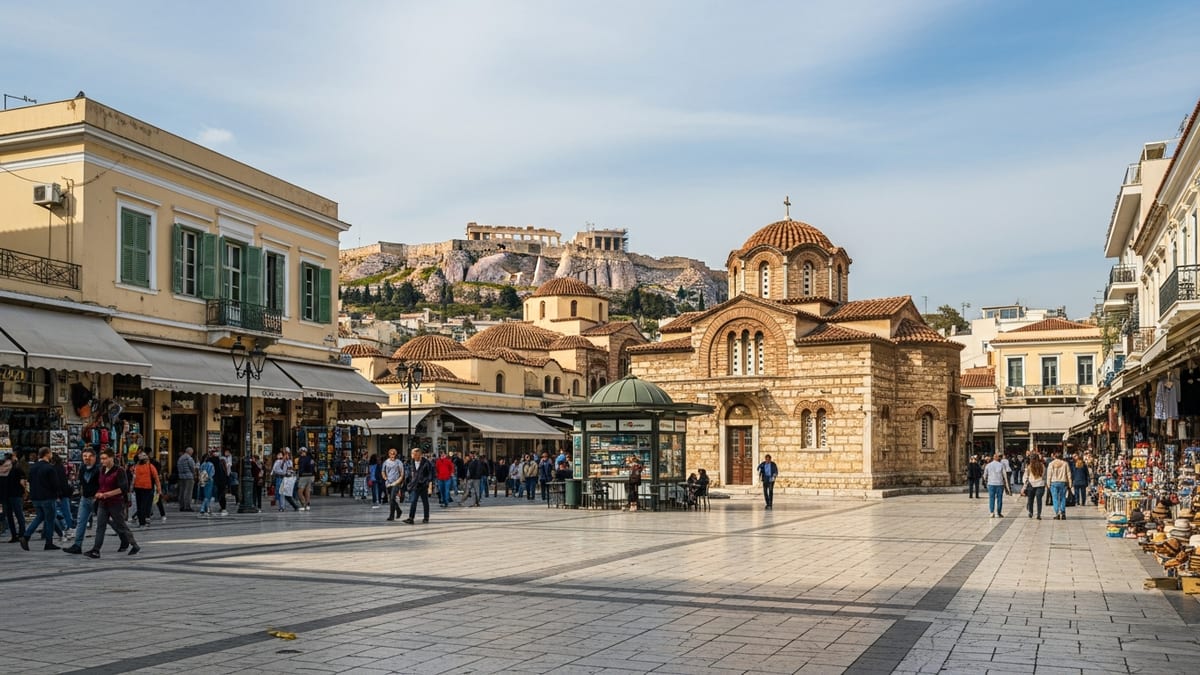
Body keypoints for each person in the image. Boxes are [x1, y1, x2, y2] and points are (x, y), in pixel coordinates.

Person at [86, 448, 139, 558]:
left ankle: (134, 544)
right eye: (101, 459)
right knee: (100, 526)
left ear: (111, 458)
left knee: (121, 525)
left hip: (115, 503)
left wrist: (106, 494)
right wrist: (98, 493)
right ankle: (96, 550)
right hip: (102, 503)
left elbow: (123, 488)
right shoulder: (101, 470)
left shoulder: (119, 471)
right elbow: (101, 486)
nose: (102, 461)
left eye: (105, 458)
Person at [18, 447, 59, 551]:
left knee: (39, 516)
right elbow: (55, 484)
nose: (51, 455)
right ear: (47, 454)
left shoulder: (33, 467)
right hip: (48, 497)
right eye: (50, 453)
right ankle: (49, 543)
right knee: (50, 520)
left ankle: (26, 536)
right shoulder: (49, 468)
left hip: (36, 497)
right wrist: (57, 494)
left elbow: (30, 481)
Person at [64, 448, 103, 554]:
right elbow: (82, 482)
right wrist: (81, 494)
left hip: (97, 499)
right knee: (81, 521)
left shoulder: (99, 469)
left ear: (95, 457)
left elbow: (103, 484)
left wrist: (99, 495)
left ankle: (125, 539)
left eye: (90, 456)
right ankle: (77, 545)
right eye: (85, 456)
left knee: (110, 522)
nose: (87, 458)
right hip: (85, 499)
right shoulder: (82, 468)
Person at [1, 453, 28, 542]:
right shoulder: (17, 469)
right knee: (19, 515)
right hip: (16, 495)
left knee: (9, 516)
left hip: (5, 496)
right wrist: (25, 492)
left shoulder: (2, 470)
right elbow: (22, 482)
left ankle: (13, 535)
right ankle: (22, 534)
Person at [402, 447, 433, 524]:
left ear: (419, 455)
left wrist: (430, 486)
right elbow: (408, 474)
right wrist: (407, 484)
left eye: (415, 454)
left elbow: (430, 475)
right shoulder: (410, 462)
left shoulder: (426, 463)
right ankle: (411, 518)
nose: (413, 456)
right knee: (413, 501)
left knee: (425, 502)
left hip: (423, 485)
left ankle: (426, 517)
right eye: (412, 454)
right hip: (414, 485)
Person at [131, 452, 161, 527]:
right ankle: (143, 521)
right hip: (147, 488)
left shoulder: (136, 467)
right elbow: (156, 478)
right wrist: (159, 488)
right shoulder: (150, 466)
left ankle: (142, 522)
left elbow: (133, 478)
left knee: (140, 505)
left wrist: (131, 487)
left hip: (138, 488)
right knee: (144, 505)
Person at [381, 448, 405, 521]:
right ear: (389, 454)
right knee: (391, 499)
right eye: (391, 453)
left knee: (392, 498)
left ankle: (391, 516)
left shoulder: (399, 462)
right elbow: (383, 471)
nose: (393, 455)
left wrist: (400, 481)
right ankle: (398, 510)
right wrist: (385, 477)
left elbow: (402, 473)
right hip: (388, 483)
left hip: (396, 482)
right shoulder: (386, 462)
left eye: (394, 454)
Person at [1047, 451, 1071, 520]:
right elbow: (1068, 474)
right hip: (1063, 482)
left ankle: (1057, 513)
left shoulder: (1051, 464)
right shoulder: (1065, 464)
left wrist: (1048, 484)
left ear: (1055, 457)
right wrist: (1070, 483)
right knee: (1063, 497)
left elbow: (1049, 475)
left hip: (1054, 482)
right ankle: (1063, 512)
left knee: (1055, 498)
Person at [983, 453, 1007, 518]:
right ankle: (999, 512)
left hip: (991, 483)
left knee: (991, 498)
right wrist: (1006, 484)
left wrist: (985, 482)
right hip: (999, 484)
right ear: (998, 458)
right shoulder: (1001, 465)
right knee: (999, 498)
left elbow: (985, 475)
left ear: (993, 458)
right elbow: (1005, 475)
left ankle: (991, 512)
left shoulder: (988, 465)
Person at [1023, 453, 1046, 520]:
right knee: (1039, 500)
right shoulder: (1042, 466)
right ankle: (1038, 514)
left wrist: (1024, 486)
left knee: (1030, 500)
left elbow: (1026, 476)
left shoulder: (1029, 466)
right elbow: (1044, 475)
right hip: (1040, 485)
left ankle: (1031, 512)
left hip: (1031, 485)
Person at [209, 449, 230, 516]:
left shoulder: (210, 461)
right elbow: (226, 471)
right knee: (221, 494)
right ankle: (223, 508)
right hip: (221, 480)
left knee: (212, 494)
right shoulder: (221, 462)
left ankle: (210, 509)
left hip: (214, 480)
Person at [176, 447, 197, 512]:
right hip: (189, 477)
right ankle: (187, 506)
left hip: (181, 477)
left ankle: (181, 506)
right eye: (192, 452)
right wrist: (194, 474)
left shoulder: (180, 458)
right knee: (188, 492)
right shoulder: (189, 458)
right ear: (190, 452)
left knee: (182, 492)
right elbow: (192, 467)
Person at [296, 447, 316, 511]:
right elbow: (313, 467)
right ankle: (307, 505)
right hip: (311, 476)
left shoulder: (301, 459)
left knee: (299, 492)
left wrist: (299, 475)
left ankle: (303, 504)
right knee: (307, 491)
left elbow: (301, 468)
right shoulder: (310, 458)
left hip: (303, 476)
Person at [197, 452, 216, 517]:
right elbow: (212, 473)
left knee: (205, 494)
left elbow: (200, 472)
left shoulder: (202, 464)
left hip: (203, 480)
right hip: (209, 480)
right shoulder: (211, 464)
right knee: (208, 496)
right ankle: (203, 508)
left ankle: (206, 508)